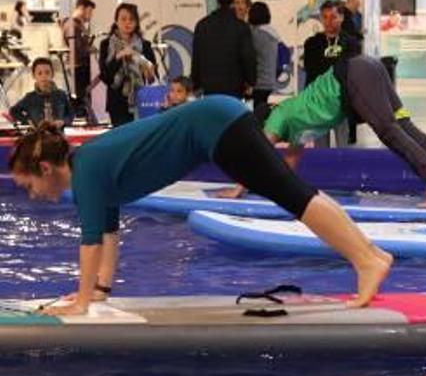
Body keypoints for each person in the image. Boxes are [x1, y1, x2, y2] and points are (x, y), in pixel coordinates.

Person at [8, 97, 392, 317]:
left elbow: (90, 242)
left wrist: (78, 302)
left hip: (216, 125)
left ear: (44, 167)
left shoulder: (86, 170)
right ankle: (372, 254)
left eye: (29, 185)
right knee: (293, 192)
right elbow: (108, 231)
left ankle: (366, 260)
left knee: (292, 195)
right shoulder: (89, 166)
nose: (33, 194)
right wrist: (99, 291)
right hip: (218, 120)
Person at [215, 55, 426, 208]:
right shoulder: (296, 127)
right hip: (368, 67)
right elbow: (286, 168)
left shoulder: (277, 115)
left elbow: (260, 154)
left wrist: (238, 189)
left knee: (388, 130)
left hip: (354, 75)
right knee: (403, 124)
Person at [302, 0, 361, 147]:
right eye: (325, 17)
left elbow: (350, 72)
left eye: (333, 17)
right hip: (319, 102)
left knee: (343, 147)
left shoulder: (351, 43)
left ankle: (345, 170)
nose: (329, 21)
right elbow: (311, 71)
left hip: (341, 101)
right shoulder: (312, 43)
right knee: (320, 149)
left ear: (341, 18)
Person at [191, 0, 256, 99]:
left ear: (217, 0)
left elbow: (197, 57)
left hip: (209, 87)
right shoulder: (241, 27)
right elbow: (248, 57)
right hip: (234, 87)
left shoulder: (202, 25)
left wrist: (196, 84)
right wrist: (251, 81)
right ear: (232, 1)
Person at [98, 3, 157, 127]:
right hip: (117, 102)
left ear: (136, 23)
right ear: (116, 21)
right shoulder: (106, 44)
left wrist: (145, 66)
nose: (127, 23)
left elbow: (153, 76)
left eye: (131, 19)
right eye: (123, 19)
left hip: (141, 99)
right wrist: (119, 56)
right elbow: (105, 77)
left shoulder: (145, 45)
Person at [9, 57, 73, 127]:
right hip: (38, 135)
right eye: (39, 73)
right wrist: (28, 120)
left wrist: (63, 121)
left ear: (52, 74)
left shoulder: (61, 95)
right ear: (34, 76)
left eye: (47, 72)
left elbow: (71, 114)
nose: (44, 76)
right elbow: (13, 111)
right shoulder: (30, 97)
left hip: (58, 135)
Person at [62, 0, 96, 120]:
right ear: (82, 8)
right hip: (78, 68)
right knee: (80, 100)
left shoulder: (78, 25)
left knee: (83, 98)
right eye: (90, 11)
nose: (91, 15)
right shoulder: (72, 25)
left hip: (81, 67)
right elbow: (76, 49)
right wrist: (90, 49)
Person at [248, 1, 280, 122]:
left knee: (257, 118)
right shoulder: (272, 34)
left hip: (258, 82)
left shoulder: (255, 34)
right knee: (263, 115)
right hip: (269, 81)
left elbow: (249, 56)